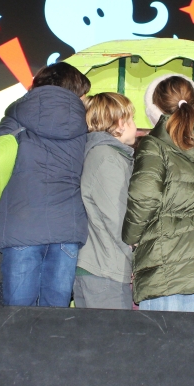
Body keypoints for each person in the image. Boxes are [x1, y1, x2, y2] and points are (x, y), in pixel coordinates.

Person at [122, 74, 194, 312]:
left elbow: (145, 195)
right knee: (191, 343)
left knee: (162, 344)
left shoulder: (154, 143)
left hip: (163, 253)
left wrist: (131, 237)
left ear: (154, 108)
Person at [0, 62, 90, 307]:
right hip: (66, 229)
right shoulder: (85, 127)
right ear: (75, 91)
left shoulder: (14, 119)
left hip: (21, 225)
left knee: (17, 320)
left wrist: (3, 196)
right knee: (54, 324)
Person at [74, 93, 137, 309]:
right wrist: (138, 259)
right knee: (112, 342)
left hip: (99, 267)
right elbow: (119, 222)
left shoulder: (101, 153)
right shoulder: (107, 157)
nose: (135, 125)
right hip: (106, 270)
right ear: (120, 123)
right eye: (131, 119)